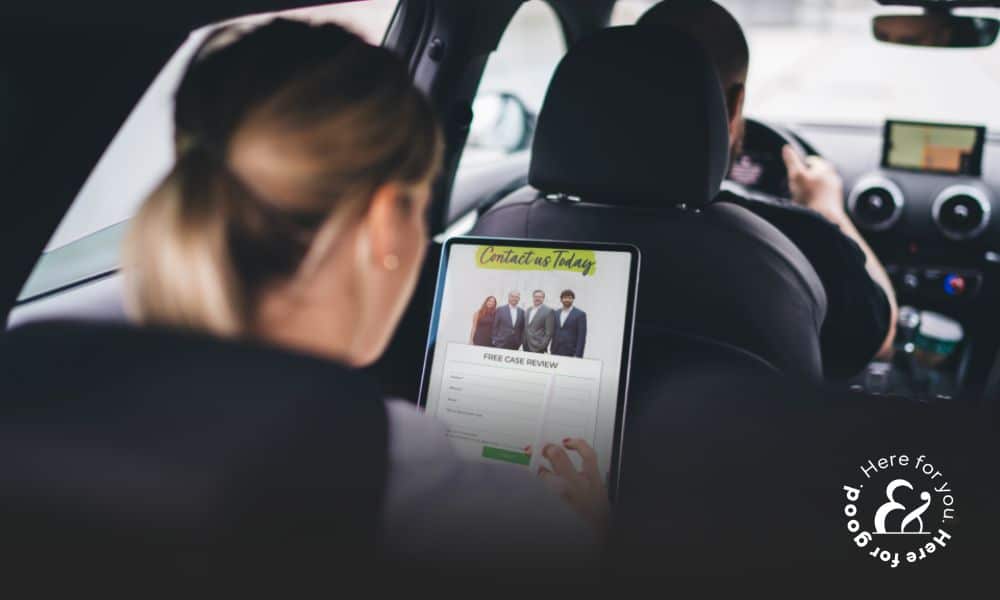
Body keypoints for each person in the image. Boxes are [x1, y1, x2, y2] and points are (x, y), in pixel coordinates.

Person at [123, 19, 607, 563]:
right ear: (383, 228)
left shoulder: (72, 392)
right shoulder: (427, 490)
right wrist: (583, 534)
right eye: (419, 209)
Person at [639, 0, 898, 379]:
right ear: (734, 106)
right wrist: (828, 211)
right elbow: (882, 342)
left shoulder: (539, 228)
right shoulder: (806, 243)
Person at [551, 290, 586, 358]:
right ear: (561, 299)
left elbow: (581, 337)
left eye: (569, 298)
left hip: (571, 352)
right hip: (555, 350)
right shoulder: (556, 313)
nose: (567, 300)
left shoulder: (580, 314)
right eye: (565, 298)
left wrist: (578, 355)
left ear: (573, 299)